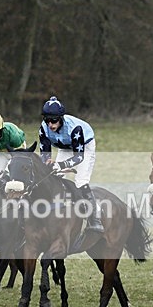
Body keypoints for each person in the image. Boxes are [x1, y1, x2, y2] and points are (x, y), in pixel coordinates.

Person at [39, 95, 104, 233]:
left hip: (84, 147)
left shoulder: (75, 129)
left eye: (54, 120)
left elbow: (79, 158)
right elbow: (45, 154)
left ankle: (95, 217)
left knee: (81, 181)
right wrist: (48, 164)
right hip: (65, 147)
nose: (50, 124)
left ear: (61, 118)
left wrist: (60, 165)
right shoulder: (43, 129)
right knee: (53, 177)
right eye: (47, 120)